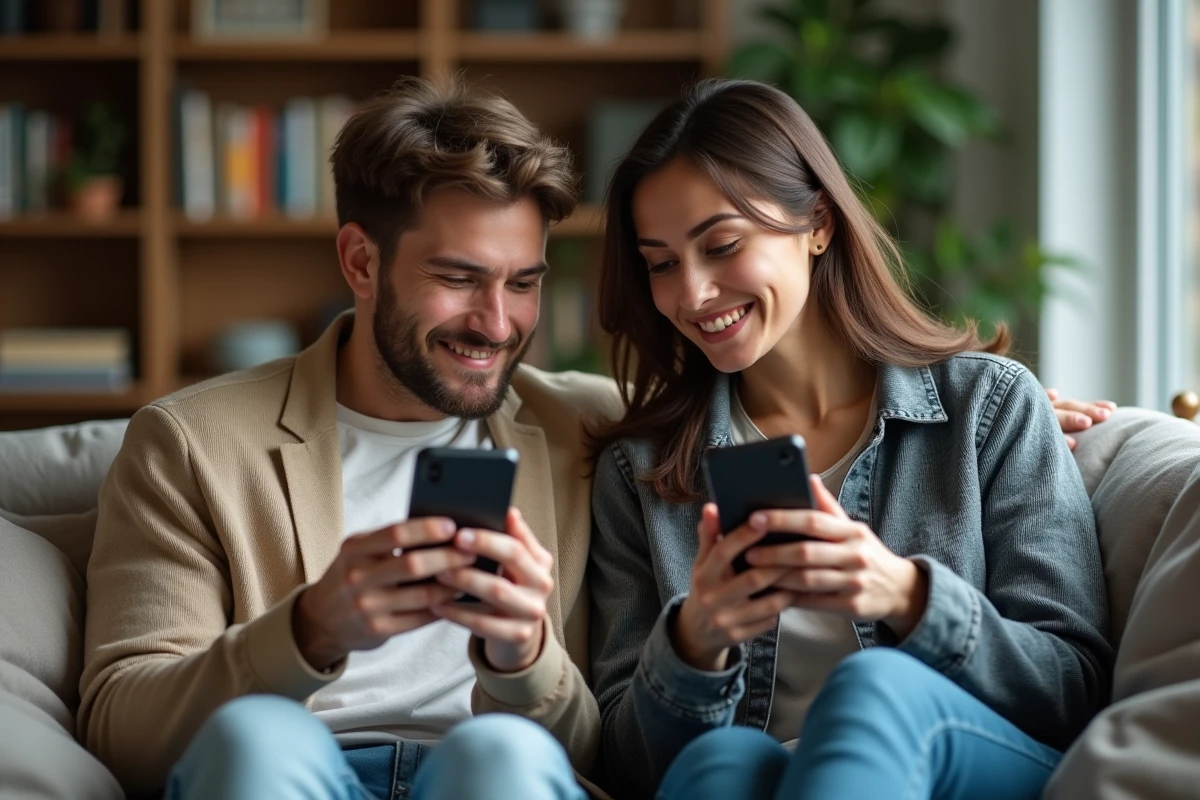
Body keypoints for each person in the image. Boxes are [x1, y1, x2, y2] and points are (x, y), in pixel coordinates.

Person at [78, 78, 620, 800]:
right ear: (361, 262)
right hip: (293, 775)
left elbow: (608, 746)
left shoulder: (593, 430)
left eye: (523, 282)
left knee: (502, 754)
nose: (497, 323)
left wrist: (526, 661)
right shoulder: (189, 443)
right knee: (258, 737)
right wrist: (306, 632)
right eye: (459, 278)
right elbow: (120, 728)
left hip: (495, 779)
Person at [586, 78, 1115, 800]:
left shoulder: (988, 410)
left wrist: (905, 595)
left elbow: (1073, 688)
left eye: (723, 245)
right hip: (766, 777)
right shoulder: (639, 472)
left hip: (954, 760)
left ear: (820, 225)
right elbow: (625, 767)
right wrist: (694, 643)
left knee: (874, 688)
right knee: (716, 766)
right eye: (662, 263)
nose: (694, 294)